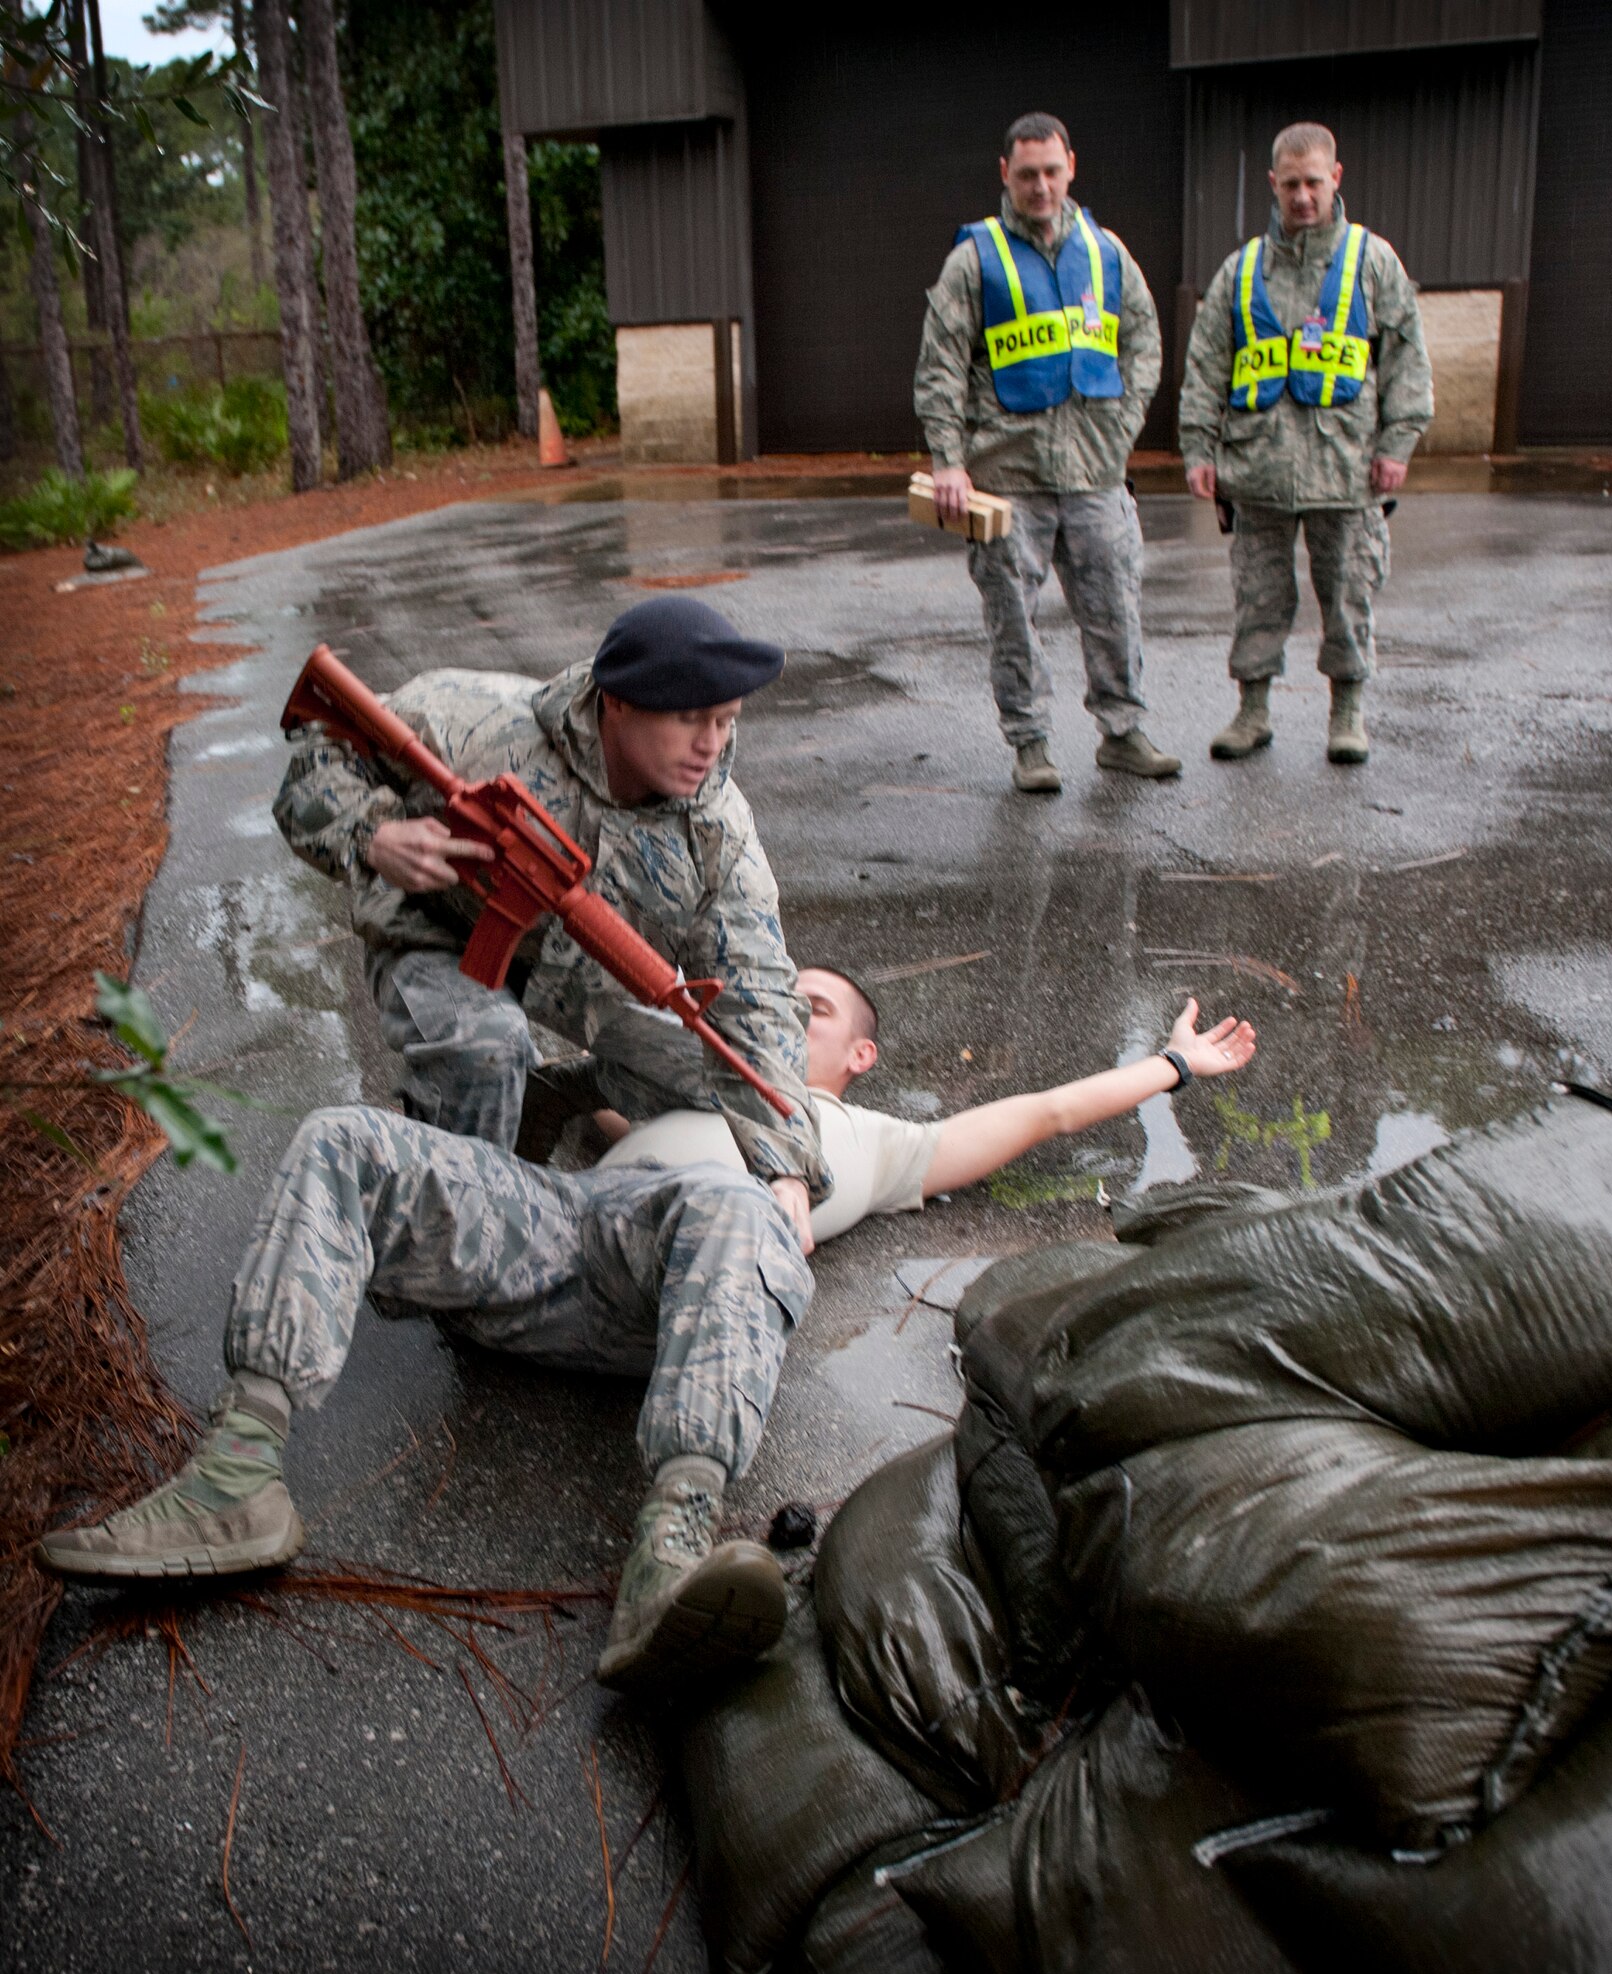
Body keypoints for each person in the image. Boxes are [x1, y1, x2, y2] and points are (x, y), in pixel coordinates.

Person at [38, 1109, 814, 1697]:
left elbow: (934, 1146)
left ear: (857, 1054)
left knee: (736, 1203)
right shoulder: (673, 1066)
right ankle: (236, 1469)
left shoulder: (832, 1123)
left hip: (676, 1271)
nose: (794, 1004)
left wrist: (791, 1171)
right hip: (558, 1215)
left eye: (816, 1004)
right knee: (342, 1136)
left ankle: (670, 1557)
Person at [273, 594, 831, 1249]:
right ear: (616, 702)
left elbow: (755, 993)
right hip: (437, 935)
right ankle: (440, 1238)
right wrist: (375, 834)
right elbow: (313, 765)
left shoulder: (716, 833)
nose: (710, 745)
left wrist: (787, 1170)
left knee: (721, 1079)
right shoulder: (468, 720)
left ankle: (550, 1097)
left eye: (726, 721)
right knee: (486, 1047)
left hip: (573, 969)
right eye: (688, 720)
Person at [914, 111, 1181, 795]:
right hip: (1009, 479)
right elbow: (940, 367)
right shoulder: (973, 262)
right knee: (1013, 619)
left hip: (1096, 474)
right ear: (1005, 174)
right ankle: (1030, 744)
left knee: (1115, 607)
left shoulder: (1107, 253)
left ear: (1071, 168)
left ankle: (1122, 734)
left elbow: (1143, 343)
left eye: (1051, 172)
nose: (1040, 185)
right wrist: (948, 459)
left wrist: (1121, 428)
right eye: (1026, 173)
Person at [594, 969, 1257, 1243]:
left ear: (862, 1056)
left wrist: (1174, 1065)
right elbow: (600, 1103)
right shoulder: (697, 1083)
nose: (788, 1016)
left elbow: (1049, 1111)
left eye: (813, 1010)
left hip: (685, 1259)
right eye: (781, 1004)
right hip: (573, 1217)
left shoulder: (880, 1142)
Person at [1180, 122, 1433, 766]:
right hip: (1257, 471)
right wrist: (1198, 449)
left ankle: (1347, 713)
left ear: (1335, 179)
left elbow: (1406, 359)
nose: (1301, 197)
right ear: (1273, 183)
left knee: (1348, 595)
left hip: (1347, 473)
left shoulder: (1373, 262)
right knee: (1259, 597)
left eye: (1313, 183)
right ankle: (1252, 711)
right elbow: (1207, 365)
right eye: (1289, 184)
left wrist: (1397, 445)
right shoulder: (1240, 271)